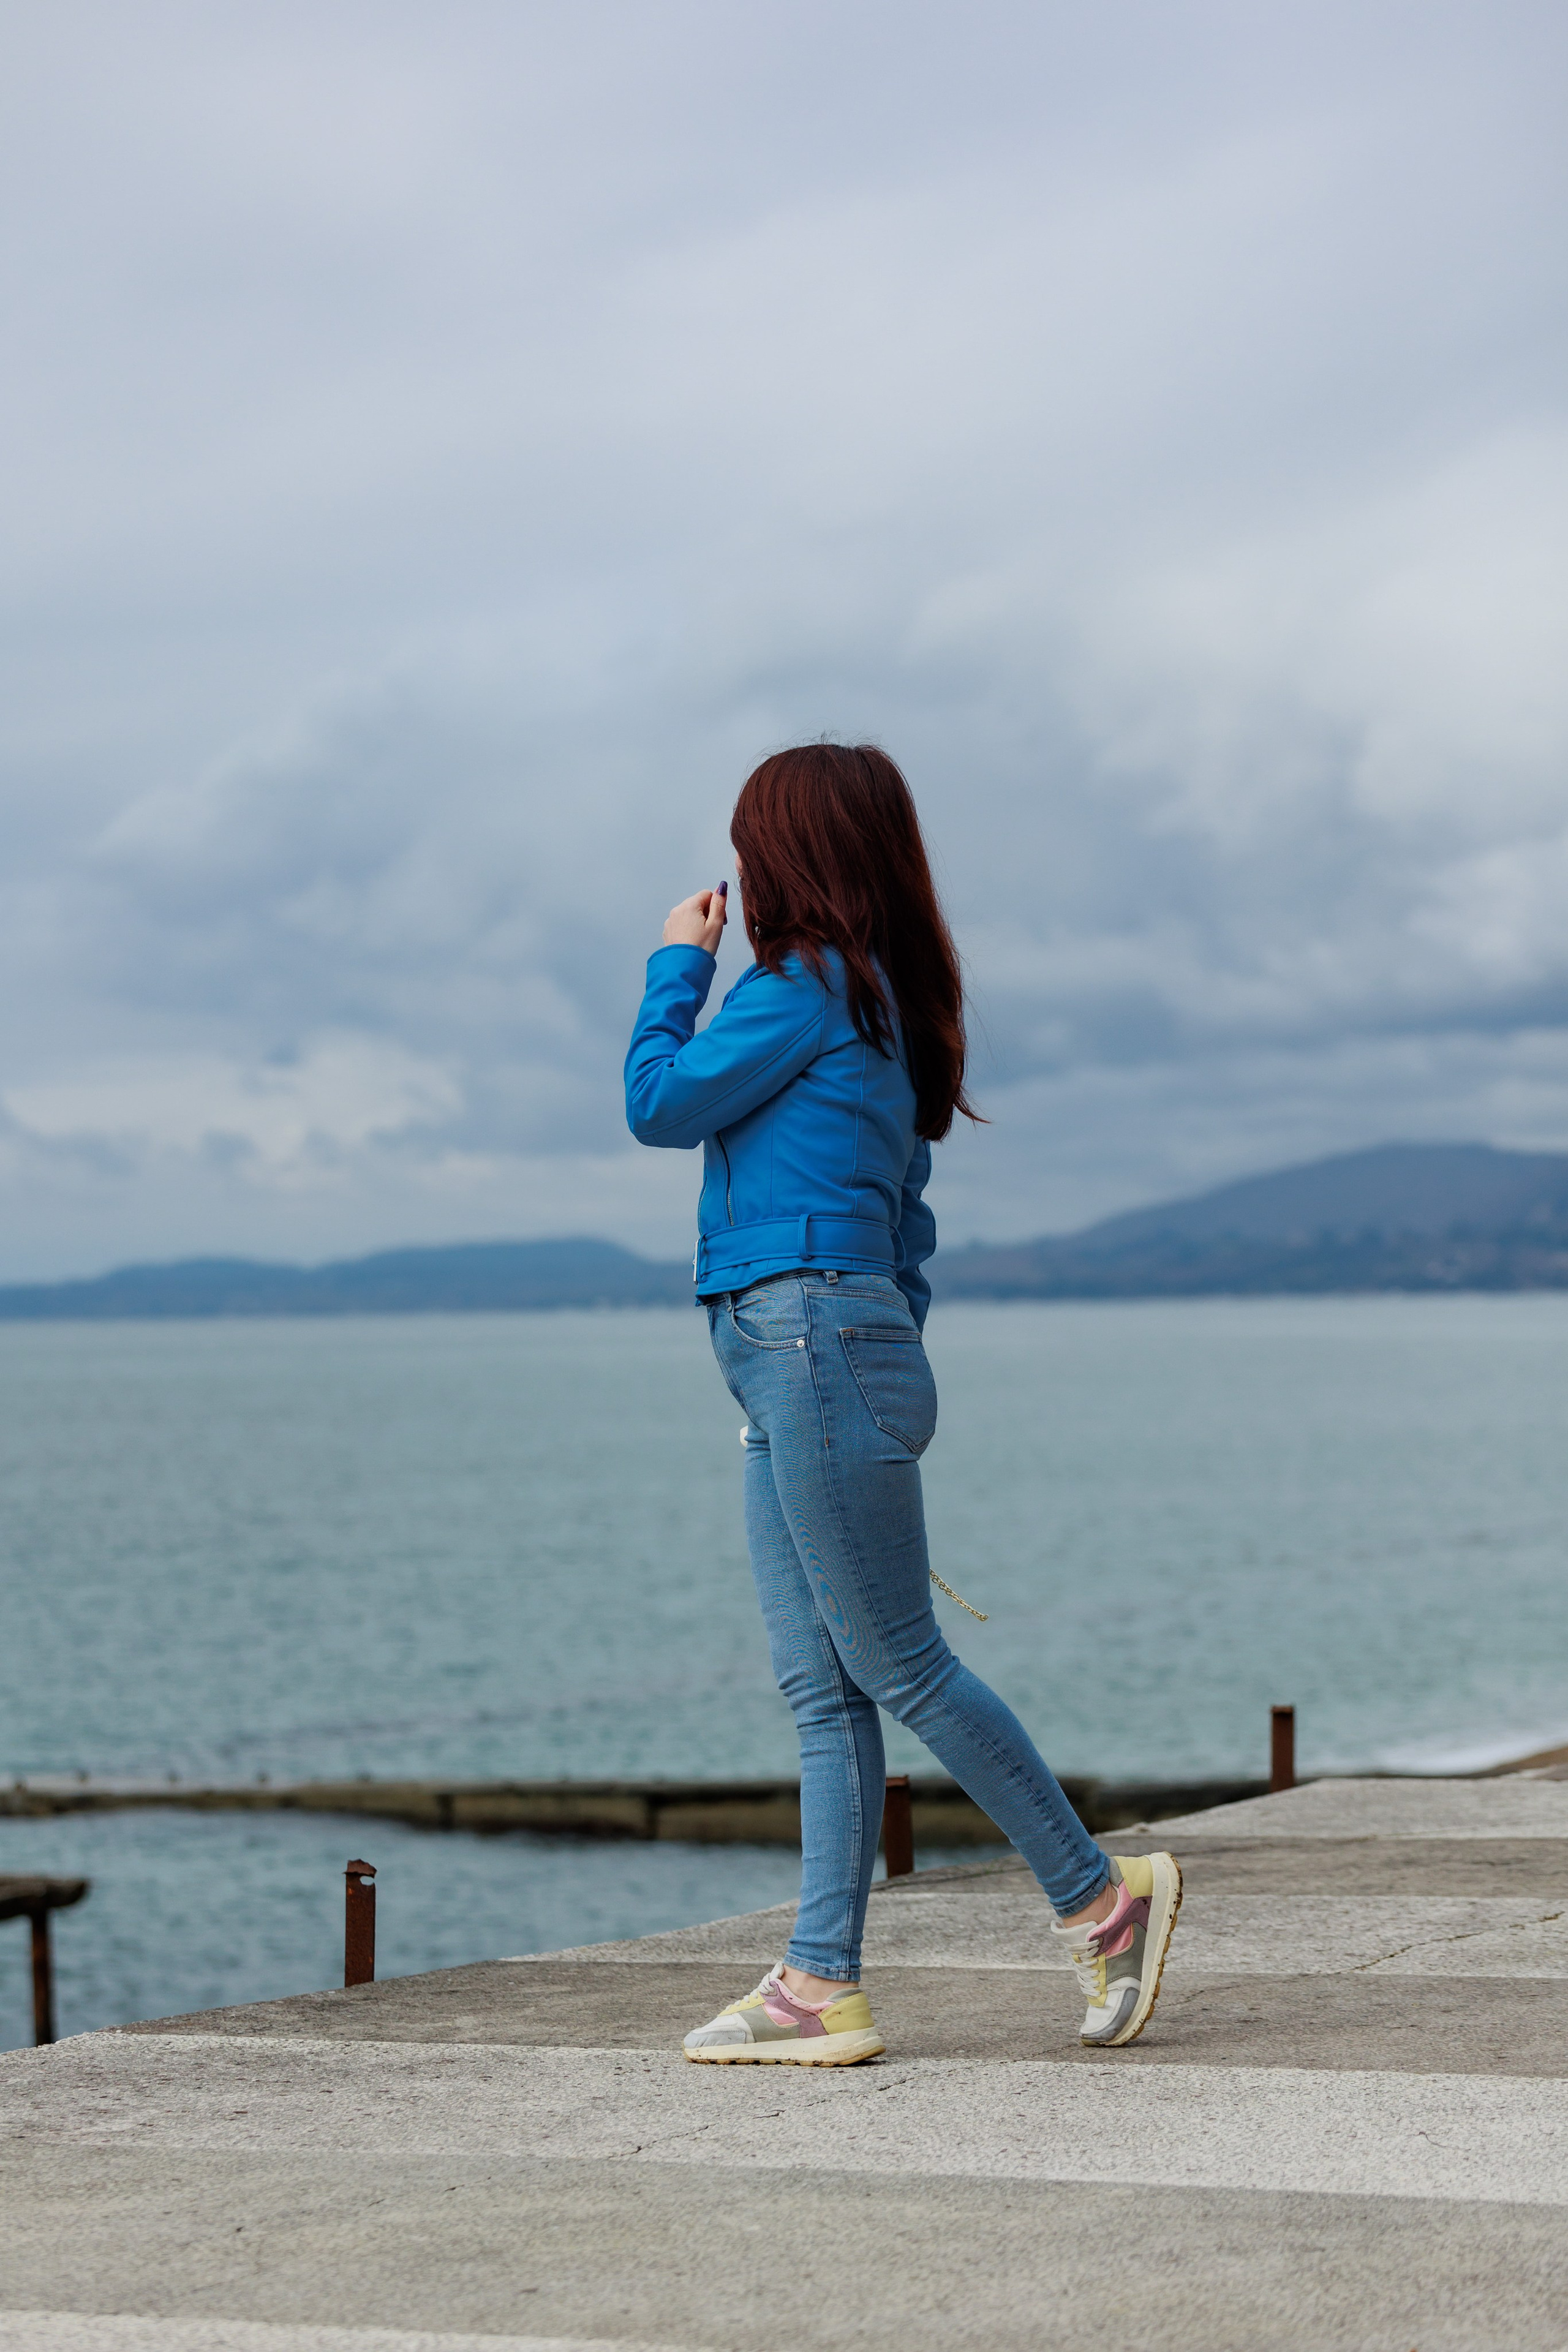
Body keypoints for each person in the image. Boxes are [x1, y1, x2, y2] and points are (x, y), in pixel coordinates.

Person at [624, 742, 1181, 2065]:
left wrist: (674, 965)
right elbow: (904, 1230)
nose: (738, 869)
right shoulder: (878, 1006)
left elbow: (657, 1103)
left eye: (751, 845)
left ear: (791, 856)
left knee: (894, 1665)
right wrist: (866, 1366)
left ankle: (1100, 1900)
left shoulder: (801, 988)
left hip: (809, 1341)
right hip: (809, 1349)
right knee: (822, 1685)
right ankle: (822, 1984)